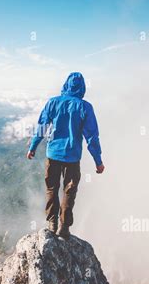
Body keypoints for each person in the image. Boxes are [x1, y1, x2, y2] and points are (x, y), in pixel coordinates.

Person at [27, 72, 104, 239]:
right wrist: (98, 161)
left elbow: (42, 127)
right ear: (82, 87)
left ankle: (52, 222)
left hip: (53, 154)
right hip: (72, 157)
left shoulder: (53, 103)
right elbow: (92, 137)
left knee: (51, 188)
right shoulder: (85, 107)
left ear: (65, 85)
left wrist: (33, 147)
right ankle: (64, 227)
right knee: (69, 191)